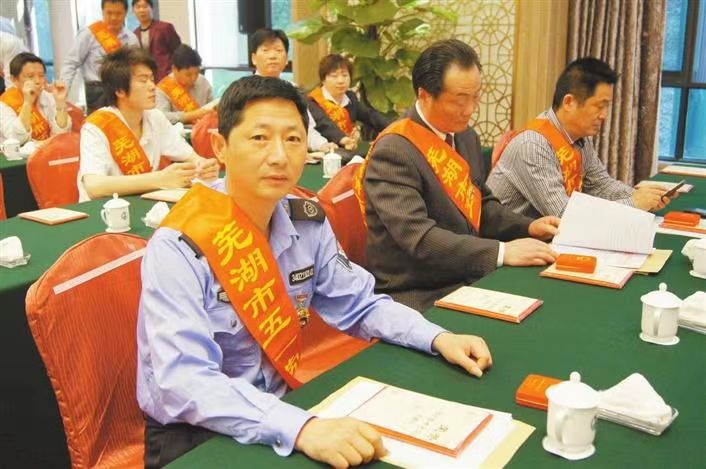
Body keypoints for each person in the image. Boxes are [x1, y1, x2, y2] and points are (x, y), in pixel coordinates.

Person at [137, 75, 493, 468]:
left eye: (293, 139)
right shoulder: (179, 246)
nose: (279, 156)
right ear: (220, 147)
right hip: (196, 431)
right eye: (259, 138)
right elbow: (184, 381)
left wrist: (437, 337)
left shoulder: (305, 222)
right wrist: (303, 428)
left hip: (279, 408)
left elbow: (359, 304)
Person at [358, 39, 559, 312]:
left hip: (466, 274)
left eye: (475, 97)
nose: (470, 110)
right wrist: (502, 251)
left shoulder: (465, 137)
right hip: (417, 291)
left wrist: (528, 227)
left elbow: (481, 204)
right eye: (460, 100)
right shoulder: (394, 150)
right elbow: (419, 238)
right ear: (424, 95)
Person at [486, 58, 670, 218]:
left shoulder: (579, 138)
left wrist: (643, 196)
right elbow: (563, 214)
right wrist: (633, 204)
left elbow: (600, 185)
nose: (604, 115)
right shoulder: (533, 144)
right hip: (512, 242)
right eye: (599, 106)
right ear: (569, 102)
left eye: (607, 106)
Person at [78, 46, 218, 201]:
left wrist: (204, 165)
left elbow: (188, 155)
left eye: (152, 79)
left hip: (142, 203)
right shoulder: (96, 126)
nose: (152, 87)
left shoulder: (155, 117)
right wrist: (159, 179)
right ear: (120, 90)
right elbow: (94, 187)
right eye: (143, 80)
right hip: (104, 210)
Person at [249, 27, 335, 153]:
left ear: (286, 60)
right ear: (254, 58)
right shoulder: (244, 90)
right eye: (266, 50)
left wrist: (322, 145)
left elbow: (306, 129)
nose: (272, 56)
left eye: (278, 50)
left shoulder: (293, 90)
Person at [60, 0, 139, 114]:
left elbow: (136, 68)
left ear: (126, 13)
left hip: (122, 90)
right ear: (102, 12)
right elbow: (71, 62)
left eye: (118, 13)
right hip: (96, 91)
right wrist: (64, 88)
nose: (113, 17)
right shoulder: (89, 34)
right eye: (109, 13)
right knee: (98, 124)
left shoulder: (131, 39)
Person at [308, 54, 391, 151]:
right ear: (323, 80)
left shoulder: (350, 98)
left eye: (345, 75)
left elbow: (370, 116)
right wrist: (343, 139)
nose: (341, 81)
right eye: (334, 76)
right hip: (324, 151)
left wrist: (395, 127)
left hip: (349, 149)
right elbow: (324, 124)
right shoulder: (313, 100)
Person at [0, 52, 71, 143]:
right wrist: (27, 103)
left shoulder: (47, 96)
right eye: (30, 76)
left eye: (41, 76)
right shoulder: (4, 104)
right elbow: (17, 139)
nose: (37, 81)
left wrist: (60, 102)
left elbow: (62, 134)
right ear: (14, 80)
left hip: (49, 149)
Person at [155, 44, 213, 124]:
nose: (193, 78)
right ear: (174, 69)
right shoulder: (163, 89)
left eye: (196, 73)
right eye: (188, 74)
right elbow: (161, 117)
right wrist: (192, 115)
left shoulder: (202, 81)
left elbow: (211, 105)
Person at [132, 0, 181, 82]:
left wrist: (172, 72)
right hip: (147, 78)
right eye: (138, 7)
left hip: (166, 76)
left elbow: (178, 51)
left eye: (145, 6)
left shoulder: (165, 27)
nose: (141, 10)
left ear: (152, 8)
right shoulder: (134, 34)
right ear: (133, 11)